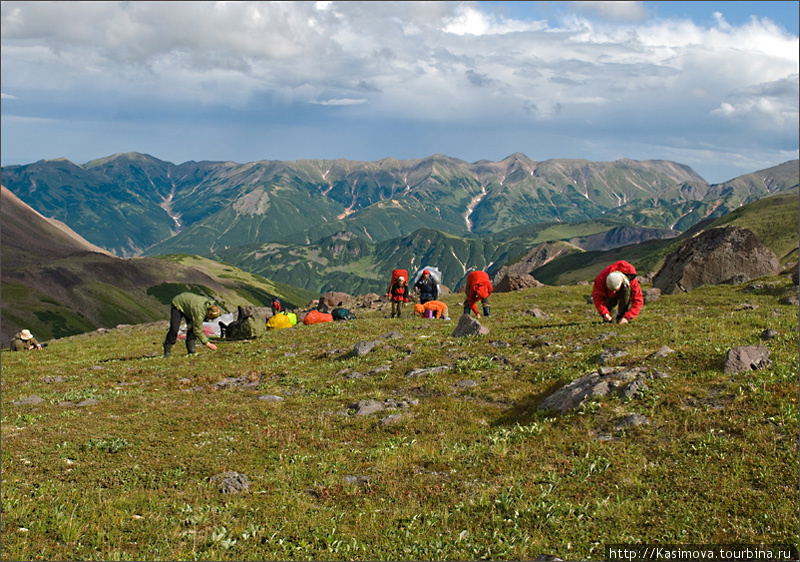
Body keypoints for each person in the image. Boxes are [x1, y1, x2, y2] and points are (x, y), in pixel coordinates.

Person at [163, 292, 221, 357]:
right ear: (208, 313)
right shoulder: (199, 313)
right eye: (211, 318)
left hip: (190, 308)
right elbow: (198, 330)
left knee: (192, 328)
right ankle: (167, 352)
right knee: (174, 329)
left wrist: (191, 324)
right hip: (178, 304)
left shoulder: (210, 306)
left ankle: (191, 351)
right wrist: (208, 344)